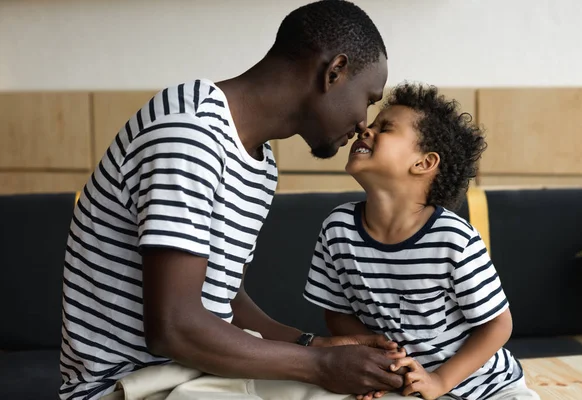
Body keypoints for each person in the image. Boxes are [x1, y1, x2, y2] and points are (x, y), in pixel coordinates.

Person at [59, 1, 408, 400]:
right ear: (334, 72)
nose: (364, 122)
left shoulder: (260, 163)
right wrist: (321, 367)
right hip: (129, 388)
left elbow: (225, 300)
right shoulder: (189, 132)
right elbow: (173, 327)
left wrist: (311, 345)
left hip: (197, 376)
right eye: (368, 98)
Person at [304, 83, 541, 400]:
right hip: (402, 386)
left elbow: (498, 326)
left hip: (485, 387)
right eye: (371, 124)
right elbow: (336, 313)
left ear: (424, 163)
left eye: (384, 128)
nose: (365, 130)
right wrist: (375, 364)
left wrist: (440, 381)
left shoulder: (453, 238)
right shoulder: (338, 228)